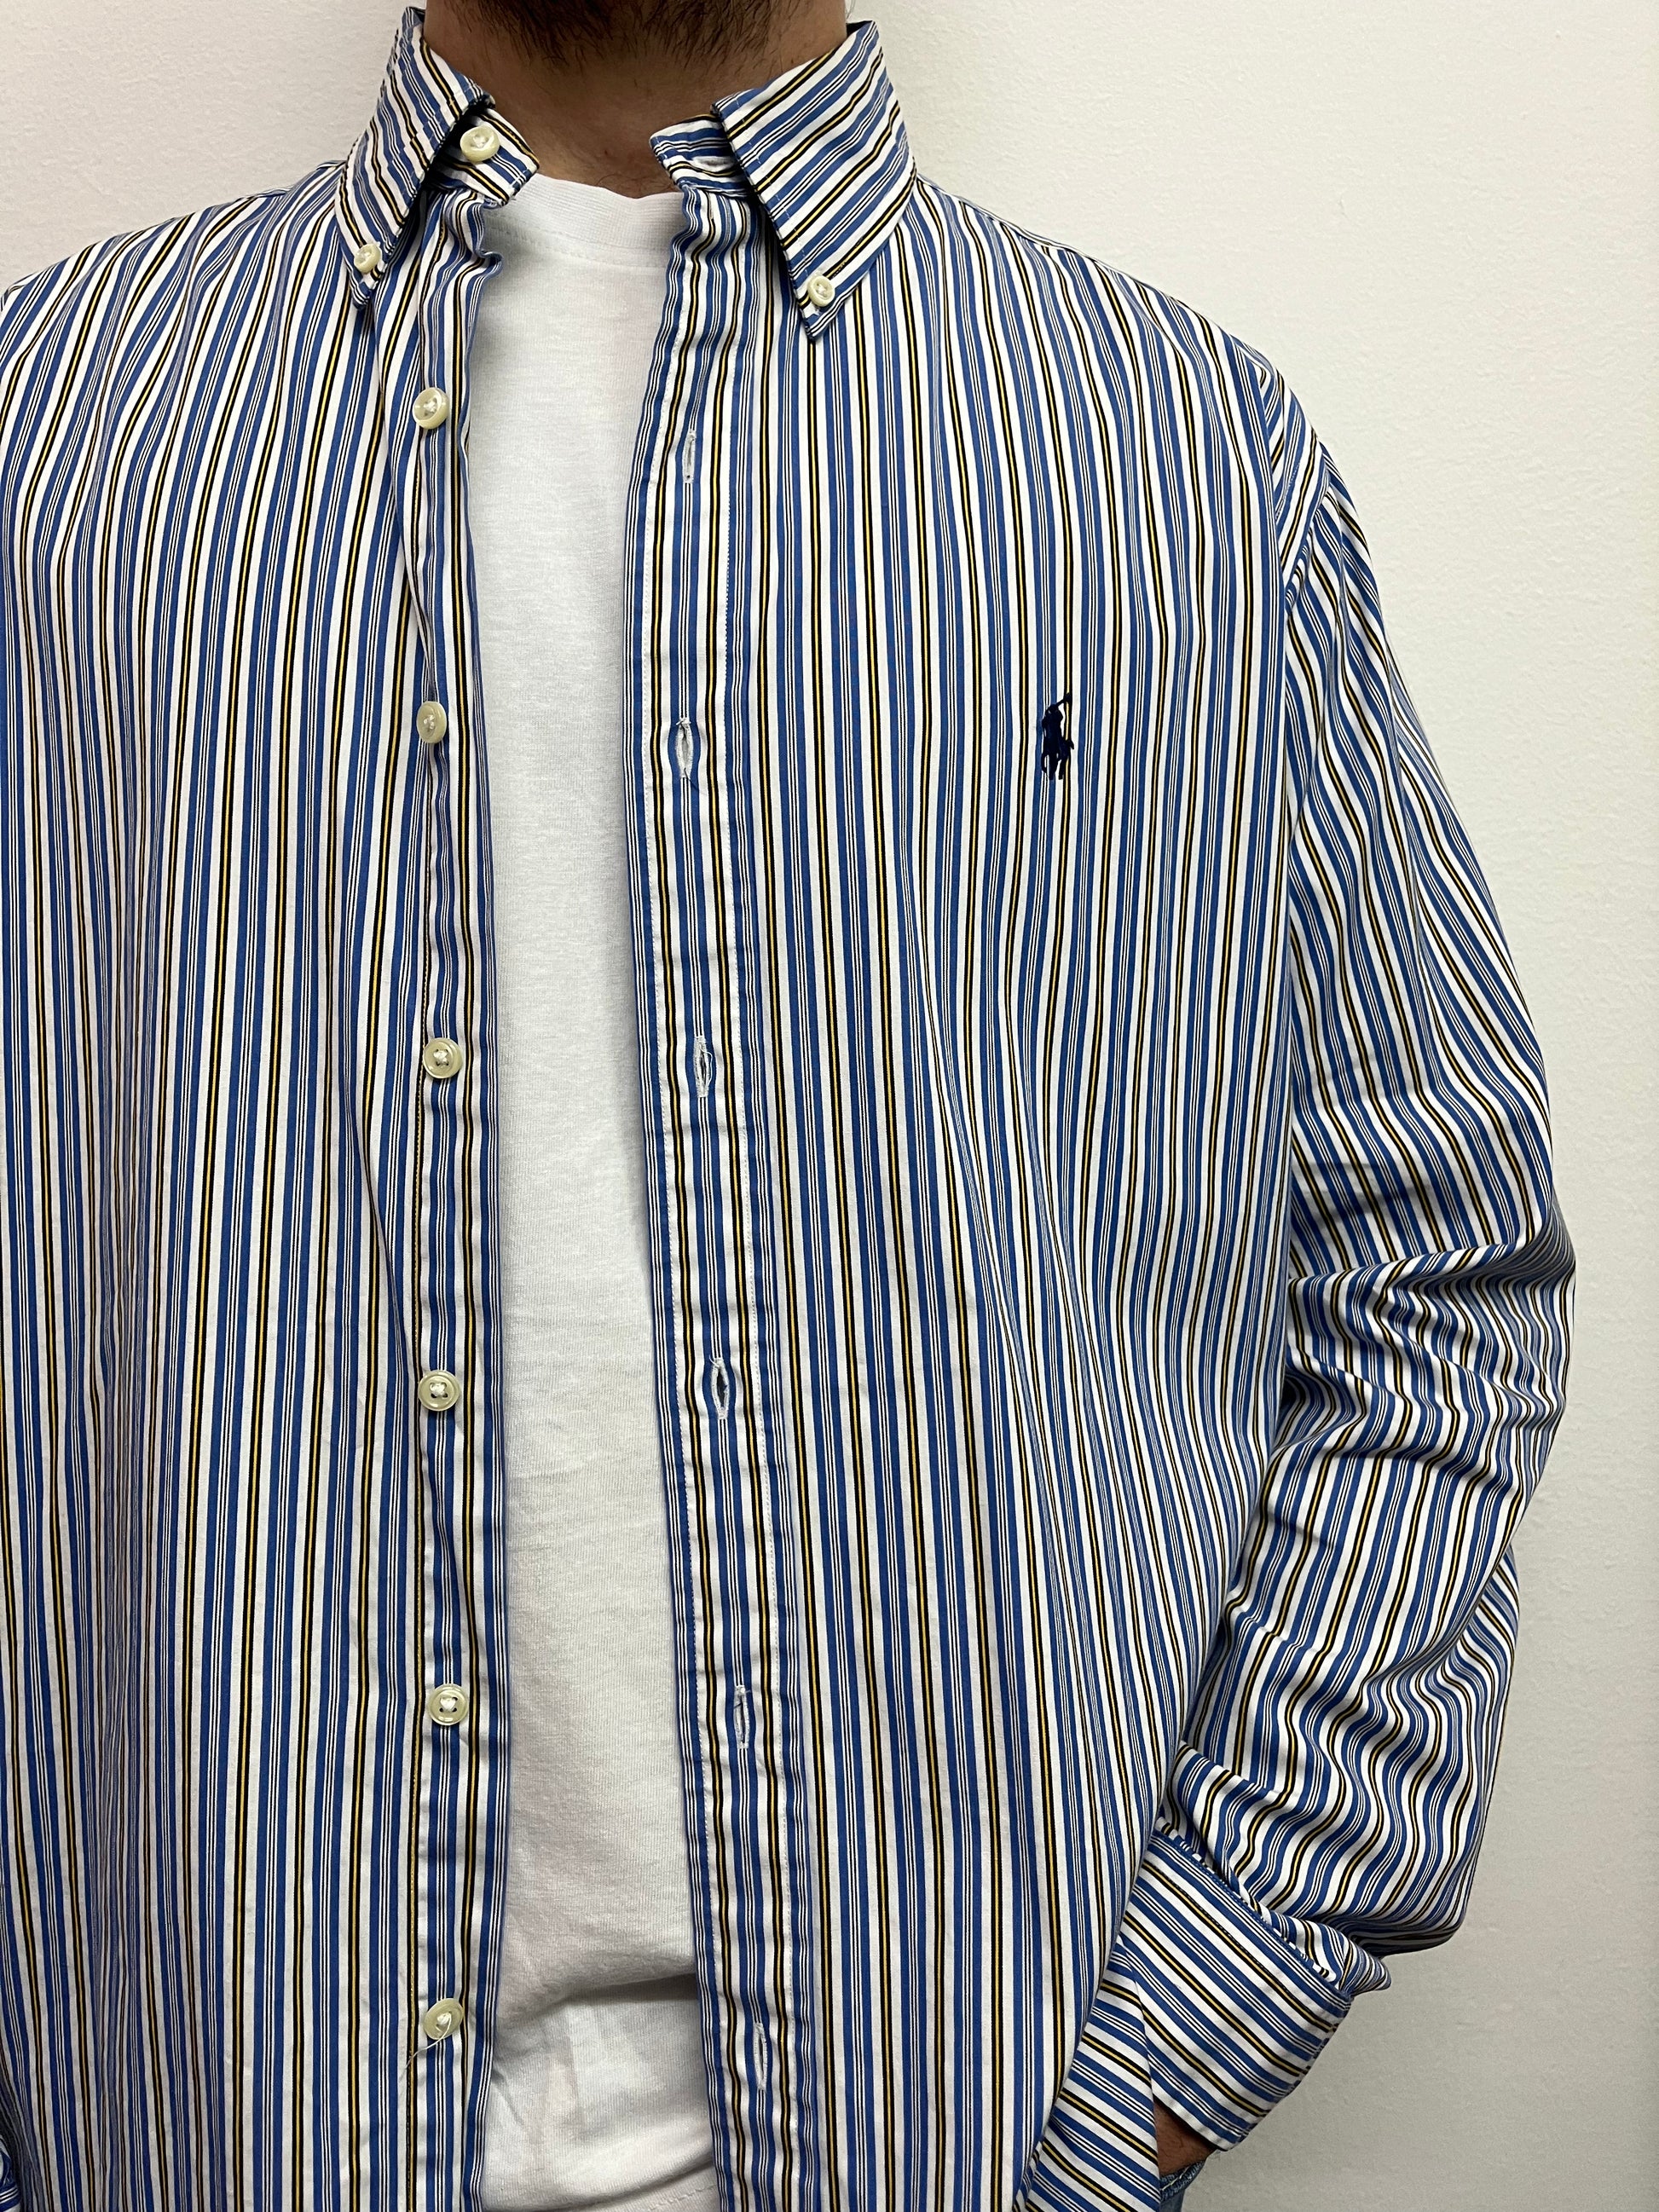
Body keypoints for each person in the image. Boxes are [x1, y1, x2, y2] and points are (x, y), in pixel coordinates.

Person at [0, 1, 1573, 2207]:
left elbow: (1434, 1284)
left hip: (941, 2133)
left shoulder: (1176, 463)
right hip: (190, 2121)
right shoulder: (57, 434)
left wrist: (1157, 2064)